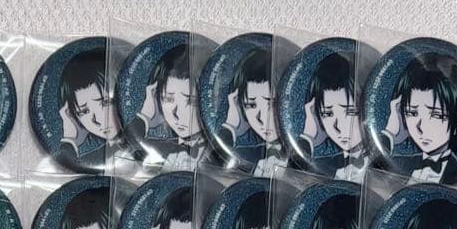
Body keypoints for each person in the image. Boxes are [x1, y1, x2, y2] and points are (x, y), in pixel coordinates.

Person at [381, 52, 457, 184]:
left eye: (436, 115)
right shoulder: (396, 163)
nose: (420, 127)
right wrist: (389, 134)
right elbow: (370, 178)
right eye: (412, 113)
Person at [125, 44, 212, 171]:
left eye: (191, 101)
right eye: (168, 99)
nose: (176, 113)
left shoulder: (221, 152)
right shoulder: (153, 150)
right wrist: (145, 115)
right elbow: (127, 145)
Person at [296, 53, 372, 182]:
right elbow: (293, 179)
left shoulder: (388, 161)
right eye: (328, 114)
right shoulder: (324, 165)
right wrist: (308, 136)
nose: (338, 127)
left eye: (350, 112)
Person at [218, 48, 285, 176]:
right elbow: (211, 172)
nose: (261, 118)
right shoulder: (243, 155)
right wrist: (230, 126)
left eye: (272, 104)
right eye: (251, 105)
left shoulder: (306, 155)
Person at [56, 47, 120, 170]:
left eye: (106, 102)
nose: (97, 120)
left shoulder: (154, 151)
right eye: (84, 111)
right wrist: (70, 139)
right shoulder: (92, 160)